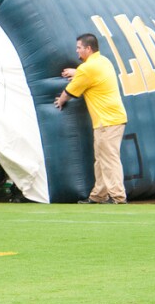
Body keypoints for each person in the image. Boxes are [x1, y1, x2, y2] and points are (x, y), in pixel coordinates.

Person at [55, 33, 128, 204]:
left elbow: (71, 91)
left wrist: (60, 100)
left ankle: (118, 197)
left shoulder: (88, 69)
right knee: (101, 159)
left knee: (109, 159)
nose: (77, 51)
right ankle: (98, 195)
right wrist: (77, 71)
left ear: (88, 49)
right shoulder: (103, 61)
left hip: (107, 120)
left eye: (79, 47)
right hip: (111, 119)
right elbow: (87, 75)